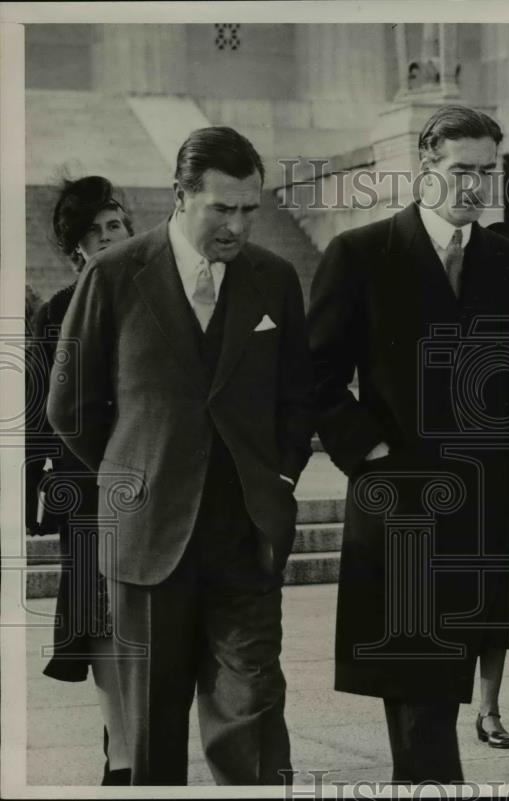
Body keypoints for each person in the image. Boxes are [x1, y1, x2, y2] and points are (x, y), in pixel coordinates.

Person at [47, 127, 315, 784]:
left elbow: (296, 398)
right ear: (179, 195)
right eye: (221, 208)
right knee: (153, 739)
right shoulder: (114, 275)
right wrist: (131, 474)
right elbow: (69, 406)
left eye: (250, 208)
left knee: (253, 716)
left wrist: (279, 476)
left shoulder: (274, 280)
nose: (237, 224)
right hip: (145, 543)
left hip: (245, 540)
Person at [308, 105, 509, 781]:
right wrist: (372, 451)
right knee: (420, 685)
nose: (476, 186)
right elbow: (315, 373)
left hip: (482, 505)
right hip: (400, 505)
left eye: (487, 172)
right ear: (425, 169)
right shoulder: (361, 253)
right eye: (462, 170)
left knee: (440, 679)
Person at [24, 176, 134, 784]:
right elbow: (39, 404)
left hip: (156, 481)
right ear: (77, 253)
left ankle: (135, 735)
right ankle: (122, 753)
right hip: (86, 486)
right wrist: (36, 484)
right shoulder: (57, 312)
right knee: (99, 618)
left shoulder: (162, 296)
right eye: (94, 234)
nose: (109, 238)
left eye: (115, 225)